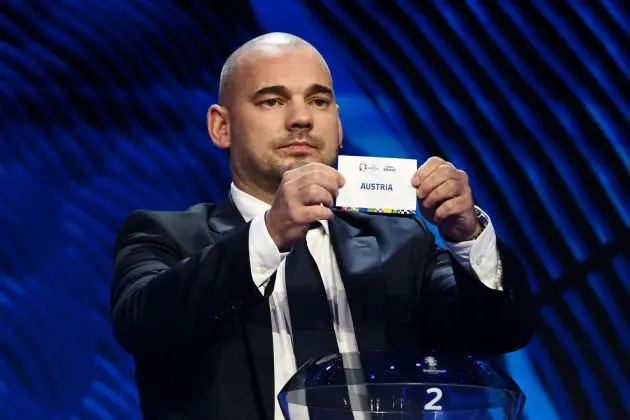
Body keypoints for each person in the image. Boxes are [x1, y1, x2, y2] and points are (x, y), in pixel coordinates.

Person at [110, 32, 534, 420]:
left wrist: (468, 237)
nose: (301, 119)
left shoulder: (401, 240)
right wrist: (270, 234)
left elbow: (499, 330)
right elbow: (143, 324)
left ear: (339, 124)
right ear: (222, 126)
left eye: (319, 101)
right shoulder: (162, 236)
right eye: (272, 101)